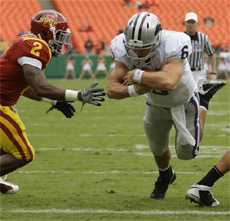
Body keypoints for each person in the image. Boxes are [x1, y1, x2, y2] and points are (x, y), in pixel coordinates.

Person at [0, 10, 106, 194]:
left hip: (4, 101)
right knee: (24, 154)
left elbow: (26, 87)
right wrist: (78, 95)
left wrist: (54, 102)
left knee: (6, 146)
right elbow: (41, 86)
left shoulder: (26, 42)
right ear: (46, 32)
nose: (63, 42)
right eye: (60, 36)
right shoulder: (36, 46)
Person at [107, 12, 201, 200]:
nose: (139, 53)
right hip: (155, 103)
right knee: (157, 147)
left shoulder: (175, 42)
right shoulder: (120, 46)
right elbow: (111, 89)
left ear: (157, 39)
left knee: (187, 153)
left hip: (183, 102)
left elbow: (169, 81)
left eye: (145, 48)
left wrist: (138, 75)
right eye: (134, 48)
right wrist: (135, 90)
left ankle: (203, 102)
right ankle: (165, 175)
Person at [184, 12, 226, 140]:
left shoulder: (203, 37)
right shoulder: (180, 37)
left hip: (199, 72)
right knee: (184, 98)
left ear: (196, 24)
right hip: (185, 71)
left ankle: (196, 124)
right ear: (185, 23)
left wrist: (213, 72)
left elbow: (212, 54)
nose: (190, 25)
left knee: (198, 97)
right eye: (188, 22)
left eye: (193, 22)